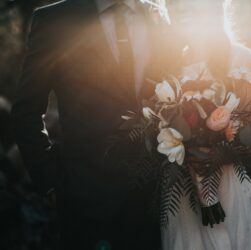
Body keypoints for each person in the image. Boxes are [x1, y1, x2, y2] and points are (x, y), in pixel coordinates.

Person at [11, 0, 163, 249]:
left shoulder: (156, 16)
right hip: (85, 202)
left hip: (154, 203)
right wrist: (51, 183)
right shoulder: (56, 20)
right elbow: (25, 111)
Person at [161, 0, 251, 249]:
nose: (180, 6)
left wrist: (215, 146)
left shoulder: (245, 61)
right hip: (180, 198)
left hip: (229, 190)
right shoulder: (164, 66)